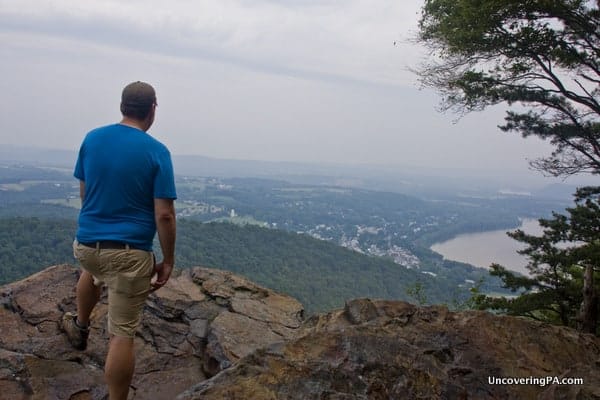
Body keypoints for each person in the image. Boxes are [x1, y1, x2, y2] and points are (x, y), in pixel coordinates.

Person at [61, 81, 177, 400]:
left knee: (95, 270)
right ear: (152, 109)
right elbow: (164, 215)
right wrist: (167, 261)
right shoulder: (156, 151)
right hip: (128, 256)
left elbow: (85, 193)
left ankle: (80, 327)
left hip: (86, 247)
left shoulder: (92, 139)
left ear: (122, 107)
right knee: (122, 333)